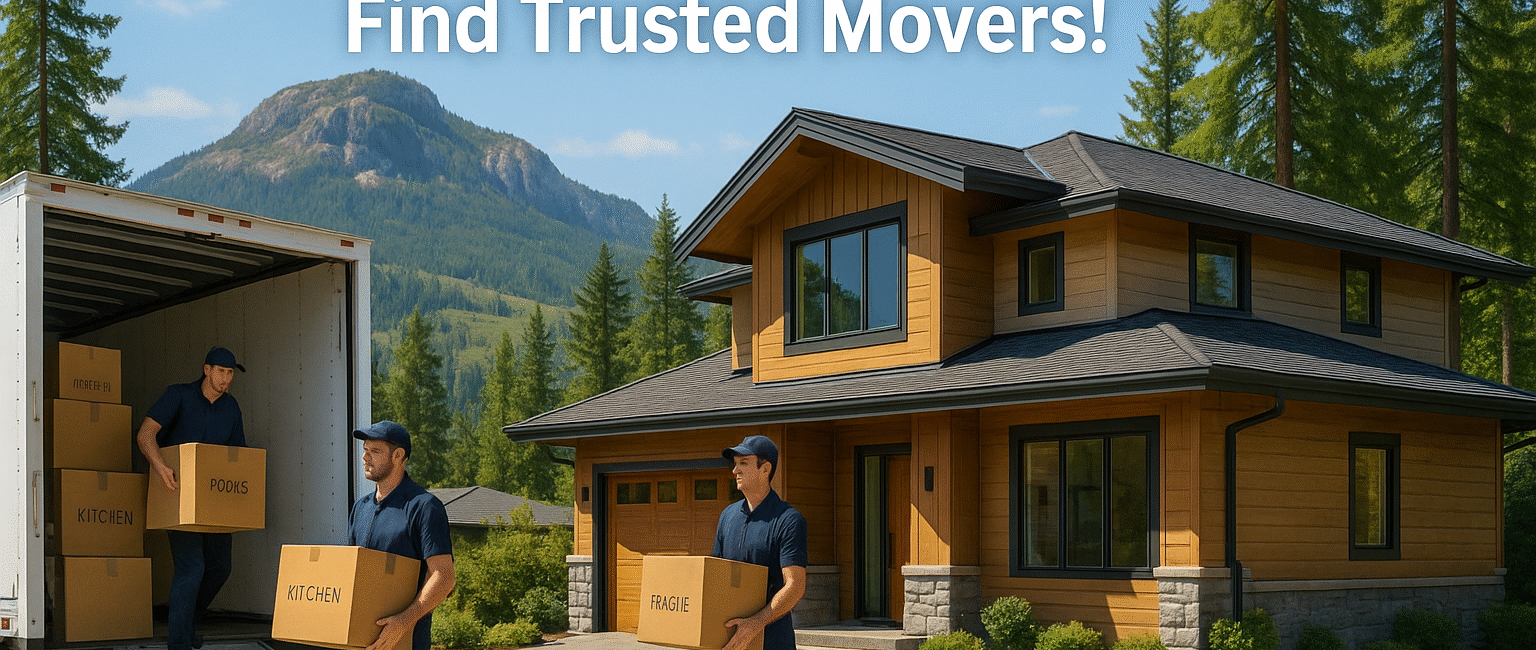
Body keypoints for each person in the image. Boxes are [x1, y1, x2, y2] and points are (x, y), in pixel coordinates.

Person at [135, 346, 248, 650]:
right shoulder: (178, 396)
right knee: (192, 568)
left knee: (220, 568)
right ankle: (179, 643)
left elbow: (238, 454)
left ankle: (186, 624)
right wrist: (160, 467)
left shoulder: (231, 407)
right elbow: (145, 434)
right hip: (178, 494)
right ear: (206, 370)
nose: (226, 379)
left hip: (215, 499)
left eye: (230, 373)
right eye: (221, 371)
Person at [349, 421, 455, 650]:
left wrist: (404, 622)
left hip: (407, 642)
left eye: (375, 451)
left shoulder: (424, 507)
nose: (365, 457)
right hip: (361, 641)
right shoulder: (360, 508)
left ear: (398, 456)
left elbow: (444, 577)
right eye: (365, 450)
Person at [714, 435, 808, 650]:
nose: (735, 470)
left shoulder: (788, 520)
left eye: (743, 463)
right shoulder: (727, 516)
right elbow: (715, 576)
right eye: (735, 464)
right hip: (730, 640)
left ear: (765, 469)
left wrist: (756, 624)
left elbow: (795, 586)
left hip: (773, 641)